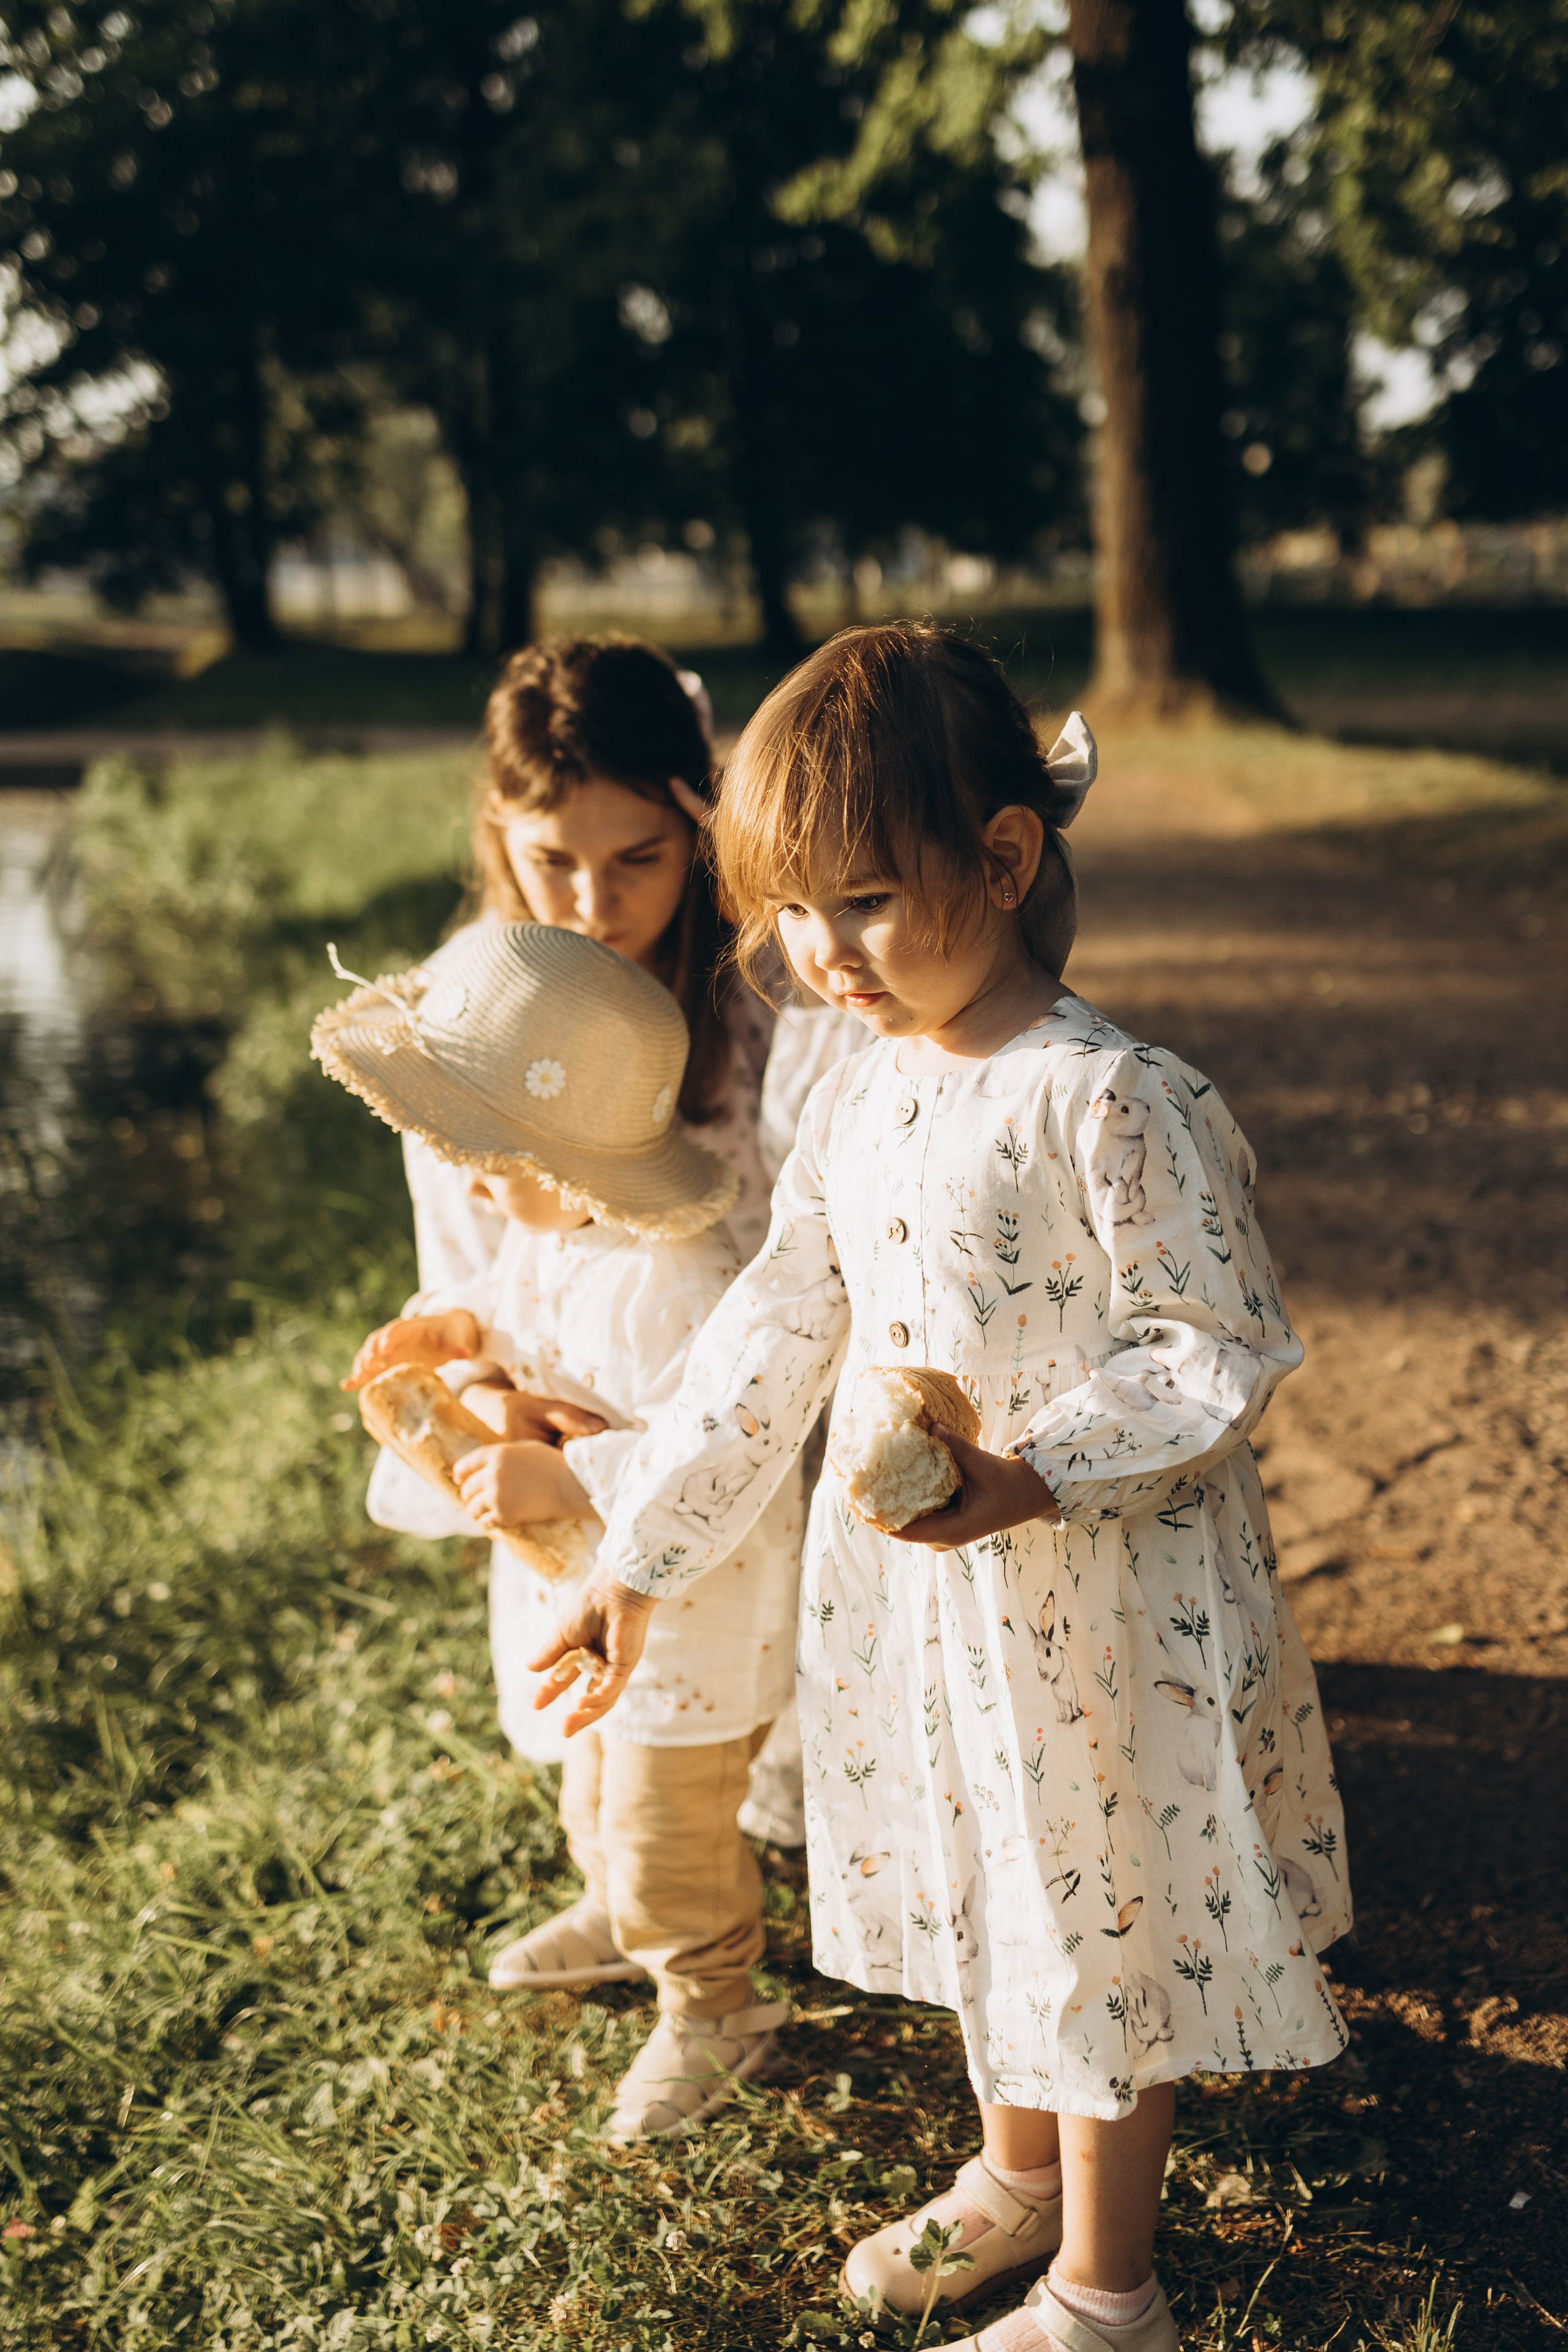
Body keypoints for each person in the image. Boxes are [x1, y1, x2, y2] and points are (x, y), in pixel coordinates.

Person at [531, 626, 1352, 2352]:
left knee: (1096, 1910)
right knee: (990, 1878)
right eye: (792, 913)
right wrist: (641, 1555)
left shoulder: (1110, 1099)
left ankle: (1108, 2294)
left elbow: (1212, 1348)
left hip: (1094, 1600)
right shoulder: (871, 1097)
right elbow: (774, 1331)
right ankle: (1017, 2169)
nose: (822, 954)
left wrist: (1031, 1473)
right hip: (930, 1600)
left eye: (866, 905)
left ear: (1002, 857)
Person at [366, 635, 859, 1854]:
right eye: (551, 862)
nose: (592, 904)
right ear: (498, 831)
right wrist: (489, 1390)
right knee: (616, 1718)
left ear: (698, 822)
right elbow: (466, 1256)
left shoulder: (767, 996)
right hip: (568, 1398)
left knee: (746, 1704)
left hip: (758, 1404)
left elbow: (816, 1260)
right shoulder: (466, 1017)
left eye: (640, 857)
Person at [317, 923, 803, 2141]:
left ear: (581, 1159)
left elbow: (718, 1453)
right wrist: (451, 1334)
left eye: (496, 1158)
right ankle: (610, 1908)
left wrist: (572, 1472)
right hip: (590, 1606)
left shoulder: (678, 1281)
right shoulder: (553, 1232)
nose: (476, 1185)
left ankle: (711, 2000)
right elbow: (507, 1300)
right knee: (589, 1785)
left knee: (664, 1827)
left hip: (686, 1623)